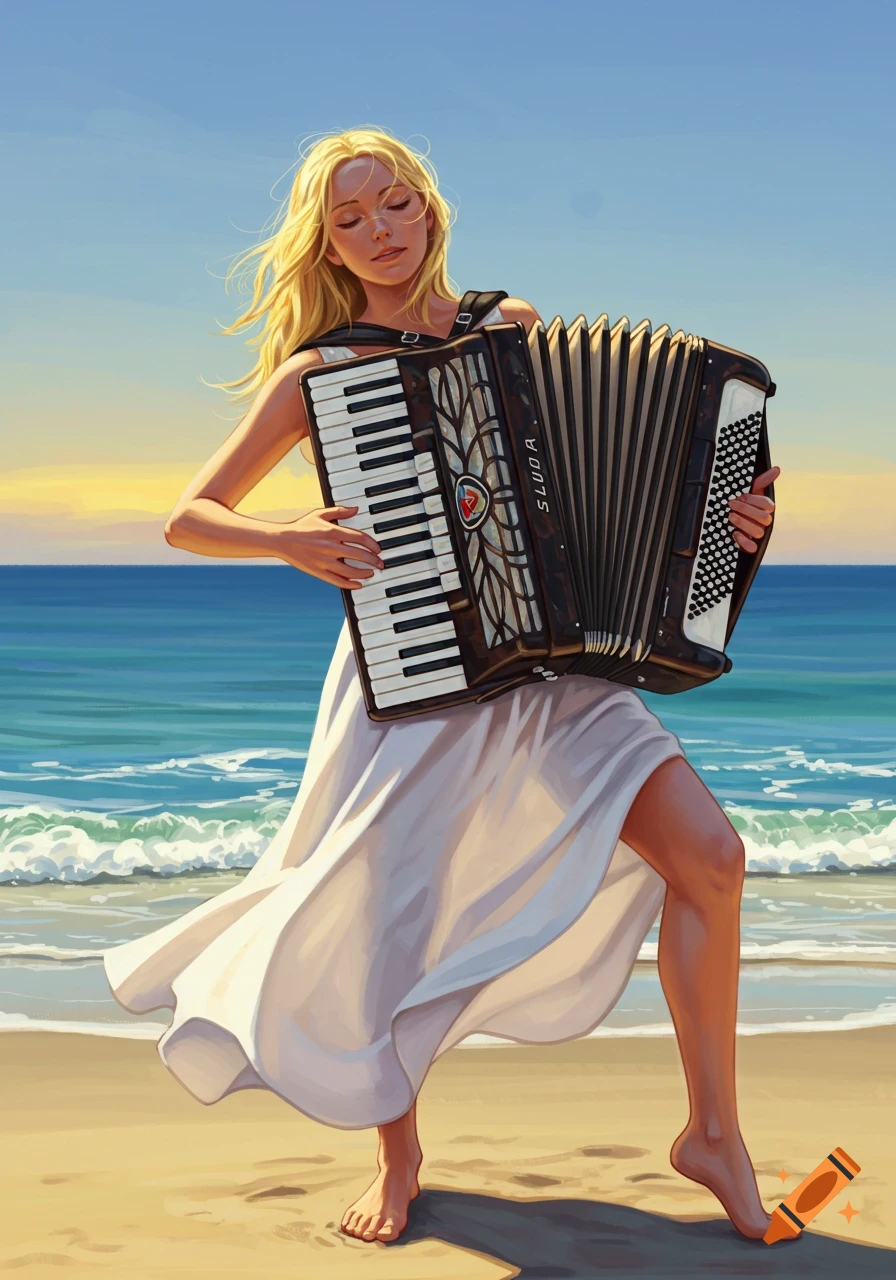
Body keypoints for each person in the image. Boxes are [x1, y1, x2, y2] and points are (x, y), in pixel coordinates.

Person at [103, 127, 780, 1247]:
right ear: (326, 244)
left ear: (430, 209)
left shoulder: (509, 330)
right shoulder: (321, 372)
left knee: (711, 856)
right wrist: (284, 538)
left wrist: (736, 524)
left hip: (556, 670)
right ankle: (399, 1151)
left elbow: (611, 498)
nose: (377, 231)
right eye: (348, 218)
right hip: (414, 668)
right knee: (385, 921)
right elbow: (189, 516)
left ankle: (712, 1131)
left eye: (394, 204)